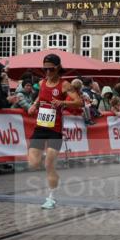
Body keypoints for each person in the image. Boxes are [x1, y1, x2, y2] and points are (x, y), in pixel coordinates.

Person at [27, 53, 82, 210]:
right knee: (33, 163)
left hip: (55, 130)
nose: (48, 72)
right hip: (40, 127)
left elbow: (79, 102)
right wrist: (34, 105)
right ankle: (49, 166)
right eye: (45, 69)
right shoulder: (42, 82)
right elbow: (40, 97)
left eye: (51, 69)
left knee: (49, 164)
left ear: (57, 68)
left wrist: (62, 102)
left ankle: (51, 197)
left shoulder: (65, 85)